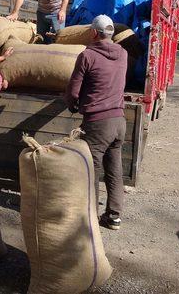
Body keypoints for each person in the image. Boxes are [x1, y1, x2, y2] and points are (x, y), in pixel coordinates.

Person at [65, 15, 128, 231]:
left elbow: (74, 89)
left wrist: (72, 104)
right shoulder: (123, 54)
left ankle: (90, 216)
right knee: (115, 170)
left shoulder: (87, 55)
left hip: (98, 122)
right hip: (120, 121)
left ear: (93, 33)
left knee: (91, 169)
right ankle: (114, 217)